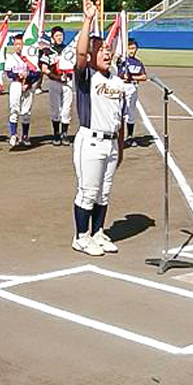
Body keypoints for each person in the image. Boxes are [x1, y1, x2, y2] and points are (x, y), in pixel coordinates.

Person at [68, 29, 133, 257]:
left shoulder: (117, 81)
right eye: (101, 50)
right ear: (91, 56)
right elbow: (80, 53)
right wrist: (87, 21)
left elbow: (120, 118)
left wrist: (121, 147)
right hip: (91, 141)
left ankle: (97, 232)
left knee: (104, 193)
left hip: (112, 143)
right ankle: (81, 237)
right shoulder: (86, 76)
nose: (106, 53)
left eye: (108, 49)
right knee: (88, 192)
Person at [40, 26, 75, 144]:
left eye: (61, 35)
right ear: (53, 37)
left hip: (67, 82)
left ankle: (64, 134)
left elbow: (74, 65)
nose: (59, 38)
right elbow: (44, 68)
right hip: (54, 82)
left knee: (67, 109)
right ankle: (56, 134)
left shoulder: (68, 49)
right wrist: (56, 77)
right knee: (55, 109)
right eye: (57, 36)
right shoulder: (48, 51)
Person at [4, 35, 40, 148]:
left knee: (26, 112)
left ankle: (25, 136)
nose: (18, 47)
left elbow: (37, 73)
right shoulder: (11, 57)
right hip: (16, 84)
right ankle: (13, 135)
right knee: (14, 109)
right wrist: (17, 75)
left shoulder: (30, 57)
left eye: (20, 44)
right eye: (16, 44)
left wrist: (29, 81)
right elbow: (8, 73)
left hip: (28, 86)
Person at [119, 37, 150, 146]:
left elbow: (144, 76)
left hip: (132, 87)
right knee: (120, 112)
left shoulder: (138, 63)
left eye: (134, 48)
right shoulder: (121, 61)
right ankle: (119, 136)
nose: (132, 50)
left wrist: (132, 78)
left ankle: (130, 136)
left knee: (131, 112)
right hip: (122, 87)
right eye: (130, 48)